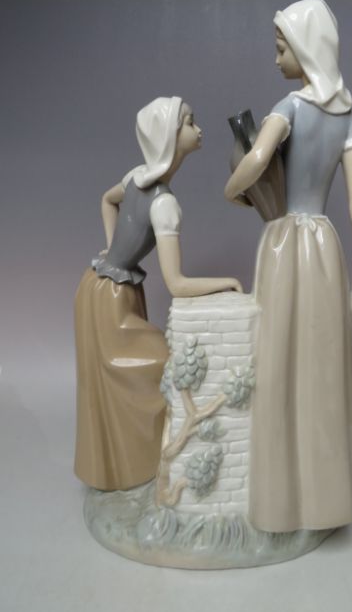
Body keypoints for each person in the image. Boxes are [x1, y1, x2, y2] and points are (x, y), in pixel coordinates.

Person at [224, 0, 352, 532]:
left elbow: (256, 159)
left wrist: (231, 189)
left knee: (280, 362)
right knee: (322, 366)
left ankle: (282, 499)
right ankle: (326, 493)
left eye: (282, 48)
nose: (276, 59)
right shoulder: (348, 114)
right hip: (326, 246)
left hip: (286, 243)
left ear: (307, 49)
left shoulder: (288, 106)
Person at [75, 96, 242, 491]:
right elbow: (176, 284)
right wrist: (226, 282)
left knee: (114, 384)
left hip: (95, 287)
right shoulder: (165, 204)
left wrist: (111, 250)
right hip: (113, 301)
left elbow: (106, 200)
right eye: (189, 123)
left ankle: (125, 465)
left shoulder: (135, 177)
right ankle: (135, 466)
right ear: (168, 135)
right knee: (159, 368)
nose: (198, 129)